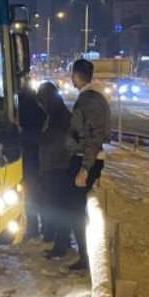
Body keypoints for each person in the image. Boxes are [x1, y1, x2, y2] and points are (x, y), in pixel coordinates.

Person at [64, 59, 111, 271]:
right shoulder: (89, 97)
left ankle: (86, 257)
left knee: (76, 209)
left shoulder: (91, 100)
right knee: (74, 207)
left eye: (72, 74)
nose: (71, 78)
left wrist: (85, 168)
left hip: (86, 160)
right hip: (83, 158)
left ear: (76, 75)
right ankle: (84, 255)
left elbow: (94, 136)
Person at [36, 82, 74, 258]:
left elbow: (51, 140)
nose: (41, 106)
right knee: (57, 206)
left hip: (57, 167)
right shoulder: (57, 113)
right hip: (55, 166)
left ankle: (61, 246)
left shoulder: (58, 116)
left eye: (42, 101)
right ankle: (60, 243)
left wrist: (31, 136)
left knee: (58, 208)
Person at [17, 78, 46, 240]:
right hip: (40, 157)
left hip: (29, 157)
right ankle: (44, 227)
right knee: (40, 193)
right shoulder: (40, 108)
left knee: (31, 195)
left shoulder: (22, 107)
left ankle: (33, 228)